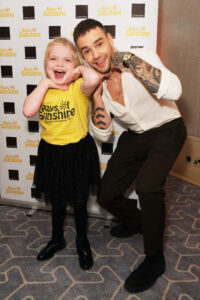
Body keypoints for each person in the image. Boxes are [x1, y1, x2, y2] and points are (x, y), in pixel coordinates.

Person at [73, 19, 187, 291]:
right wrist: (97, 97)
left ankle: (155, 258)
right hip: (136, 134)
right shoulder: (93, 82)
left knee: (148, 186)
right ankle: (137, 221)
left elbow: (175, 91)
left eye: (99, 43)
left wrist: (128, 60)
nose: (95, 54)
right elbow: (103, 135)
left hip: (167, 126)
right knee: (106, 194)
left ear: (110, 39)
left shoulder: (140, 57)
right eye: (86, 50)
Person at [23, 37, 101, 270]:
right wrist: (46, 84)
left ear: (74, 65)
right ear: (45, 63)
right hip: (51, 153)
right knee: (56, 201)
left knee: (78, 202)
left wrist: (77, 70)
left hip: (77, 152)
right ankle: (57, 239)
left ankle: (82, 241)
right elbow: (28, 110)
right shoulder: (42, 88)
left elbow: (95, 78)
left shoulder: (79, 87)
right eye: (53, 58)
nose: (60, 63)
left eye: (67, 60)